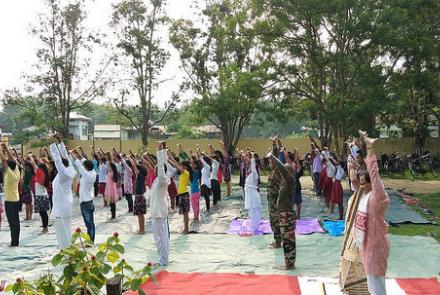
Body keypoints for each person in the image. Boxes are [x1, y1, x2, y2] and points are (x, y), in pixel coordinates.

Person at [354, 131, 390, 295]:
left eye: (364, 184)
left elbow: (374, 175)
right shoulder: (367, 197)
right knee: (373, 285)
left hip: (376, 247)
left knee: (376, 287)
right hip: (368, 246)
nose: (361, 187)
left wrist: (369, 147)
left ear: (372, 185)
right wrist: (362, 144)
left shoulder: (378, 198)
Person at [266, 144, 297, 270]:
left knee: (288, 241)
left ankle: (289, 265)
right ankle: (288, 263)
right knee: (287, 240)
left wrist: (273, 157)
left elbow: (282, 169)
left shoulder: (290, 181)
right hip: (283, 213)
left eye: (285, 171)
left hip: (287, 214)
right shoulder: (284, 182)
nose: (282, 173)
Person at [49, 134, 76, 249]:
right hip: (66, 205)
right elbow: (65, 157)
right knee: (67, 229)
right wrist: (59, 141)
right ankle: (67, 248)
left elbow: (58, 160)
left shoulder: (64, 173)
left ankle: (66, 251)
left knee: (62, 232)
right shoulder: (70, 170)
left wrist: (52, 144)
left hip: (61, 207)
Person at [150, 142, 171, 265]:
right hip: (157, 211)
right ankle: (163, 259)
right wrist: (163, 149)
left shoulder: (162, 179)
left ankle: (163, 260)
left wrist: (159, 150)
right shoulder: (160, 180)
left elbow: (163, 166)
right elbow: (165, 164)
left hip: (158, 212)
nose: (156, 167)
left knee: (160, 238)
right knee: (161, 237)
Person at [72, 149, 97, 242]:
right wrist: (78, 154)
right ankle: (91, 240)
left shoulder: (87, 175)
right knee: (91, 223)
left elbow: (79, 164)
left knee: (89, 224)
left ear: (86, 168)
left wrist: (72, 155)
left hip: (85, 203)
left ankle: (90, 241)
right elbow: (83, 162)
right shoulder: (92, 172)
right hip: (89, 201)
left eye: (84, 166)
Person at [0, 143, 21, 246]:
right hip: (15, 200)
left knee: (13, 223)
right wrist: (5, 148)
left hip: (11, 202)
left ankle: (14, 242)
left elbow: (4, 161)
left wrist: (1, 150)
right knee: (15, 222)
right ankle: (15, 241)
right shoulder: (16, 171)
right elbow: (11, 158)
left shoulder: (11, 174)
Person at [168, 154, 191, 234]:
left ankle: (186, 228)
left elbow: (177, 165)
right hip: (182, 194)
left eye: (182, 166)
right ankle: (185, 228)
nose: (181, 167)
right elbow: (177, 164)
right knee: (184, 213)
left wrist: (169, 159)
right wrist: (170, 157)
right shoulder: (183, 173)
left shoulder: (186, 172)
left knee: (185, 213)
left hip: (184, 194)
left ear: (185, 167)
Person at [241, 150, 262, 234]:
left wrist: (252, 156)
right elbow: (249, 163)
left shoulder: (254, 174)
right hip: (250, 195)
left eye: (250, 167)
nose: (248, 168)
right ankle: (254, 226)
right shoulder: (250, 175)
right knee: (251, 211)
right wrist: (245, 155)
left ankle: (255, 228)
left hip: (253, 196)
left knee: (255, 211)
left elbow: (252, 164)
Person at [29, 155, 50, 234]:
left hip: (40, 196)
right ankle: (45, 227)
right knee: (43, 213)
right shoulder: (45, 174)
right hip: (43, 196)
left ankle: (45, 228)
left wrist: (31, 158)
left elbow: (34, 166)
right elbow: (38, 166)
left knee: (43, 213)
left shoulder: (40, 175)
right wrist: (37, 159)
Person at [266, 139, 282, 248]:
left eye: (270, 162)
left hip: (275, 204)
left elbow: (275, 158)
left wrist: (274, 145)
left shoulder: (276, 171)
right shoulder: (272, 173)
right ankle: (277, 241)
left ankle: (278, 242)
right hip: (271, 203)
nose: (269, 163)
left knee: (276, 223)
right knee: (273, 223)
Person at [198, 146, 212, 213]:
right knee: (206, 197)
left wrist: (198, 150)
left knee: (206, 197)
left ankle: (208, 208)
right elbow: (202, 158)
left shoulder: (207, 166)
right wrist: (200, 152)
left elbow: (201, 159)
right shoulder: (205, 167)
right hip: (204, 183)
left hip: (206, 183)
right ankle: (208, 208)